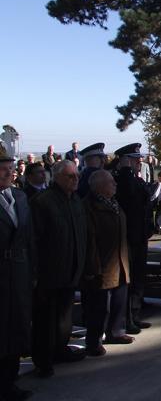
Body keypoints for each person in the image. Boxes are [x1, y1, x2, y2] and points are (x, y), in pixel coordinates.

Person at [30, 160, 87, 377]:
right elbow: (34, 240)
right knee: (45, 319)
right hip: (49, 272)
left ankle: (60, 349)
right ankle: (43, 360)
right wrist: (35, 274)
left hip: (71, 269)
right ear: (57, 177)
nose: (75, 180)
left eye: (77, 177)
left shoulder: (75, 201)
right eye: (70, 177)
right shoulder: (43, 202)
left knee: (64, 317)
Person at [82, 170, 132, 356]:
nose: (115, 185)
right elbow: (90, 239)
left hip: (119, 258)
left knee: (119, 299)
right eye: (111, 182)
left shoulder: (113, 203)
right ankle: (94, 341)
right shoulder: (90, 206)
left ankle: (116, 331)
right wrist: (92, 266)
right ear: (99, 186)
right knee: (99, 306)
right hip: (102, 262)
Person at [0, 156, 35, 400]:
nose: (8, 174)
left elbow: (29, 237)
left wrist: (33, 271)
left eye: (11, 169)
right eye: (3, 170)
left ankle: (10, 381)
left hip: (19, 272)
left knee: (17, 326)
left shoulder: (20, 198)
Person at [113, 143, 152, 333]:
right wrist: (126, 169)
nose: (140, 162)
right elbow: (127, 195)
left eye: (139, 159)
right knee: (129, 281)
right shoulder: (122, 179)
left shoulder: (137, 179)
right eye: (135, 160)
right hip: (129, 237)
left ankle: (135, 315)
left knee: (138, 278)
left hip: (140, 234)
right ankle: (127, 319)